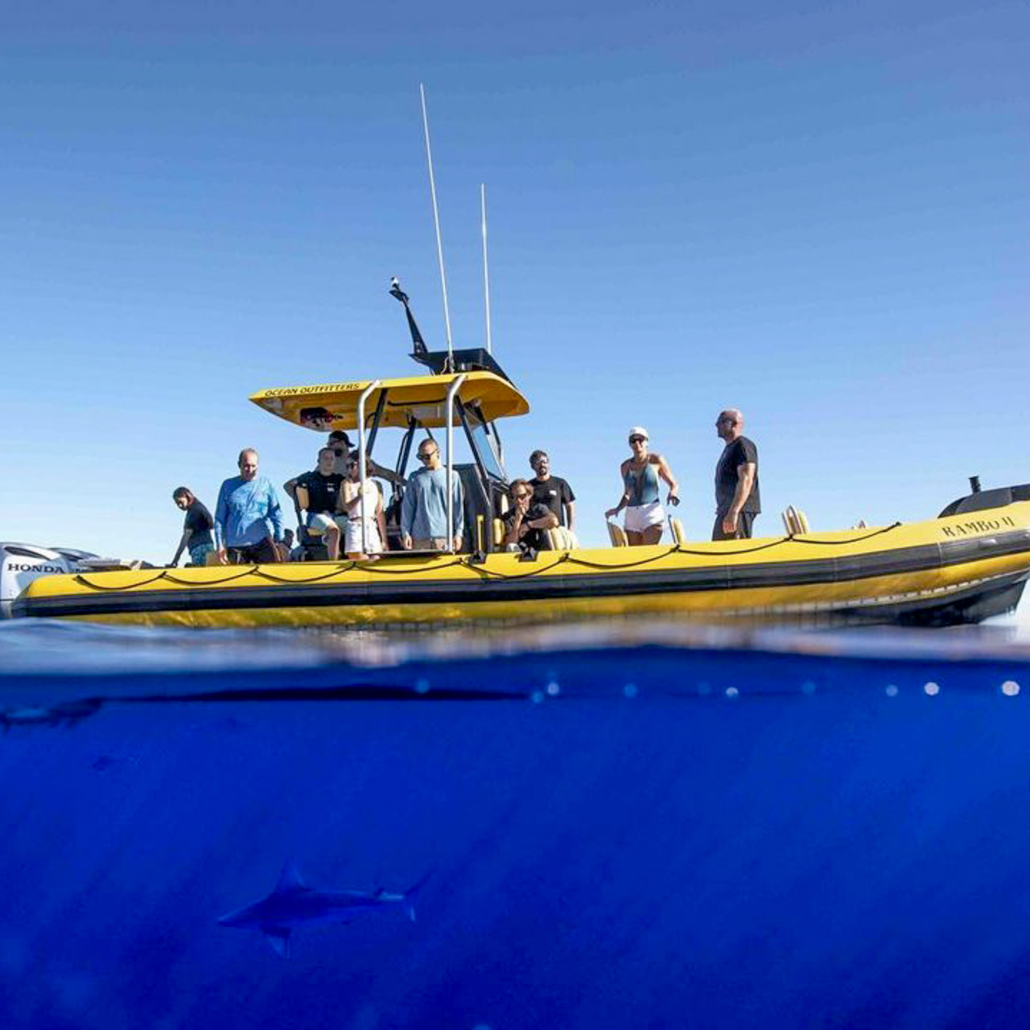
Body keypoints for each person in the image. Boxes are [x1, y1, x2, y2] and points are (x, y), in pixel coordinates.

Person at [605, 426, 680, 546]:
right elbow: (627, 493)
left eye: (641, 439)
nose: (637, 443)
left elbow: (673, 483)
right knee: (636, 556)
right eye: (633, 440)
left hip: (652, 511)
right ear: (630, 444)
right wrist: (617, 508)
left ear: (647, 442)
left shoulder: (656, 460)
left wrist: (673, 493)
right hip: (632, 514)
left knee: (648, 551)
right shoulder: (625, 466)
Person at [214, 448, 284, 564]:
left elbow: (277, 515)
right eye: (246, 466)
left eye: (253, 466)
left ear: (258, 466)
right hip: (236, 546)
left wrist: (280, 541)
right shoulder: (227, 485)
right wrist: (220, 545)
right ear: (239, 465)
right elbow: (219, 519)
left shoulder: (266, 484)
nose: (250, 470)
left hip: (262, 542)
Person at [401, 438, 464, 551]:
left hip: (444, 538)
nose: (424, 460)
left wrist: (458, 534)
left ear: (438, 452)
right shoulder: (415, 477)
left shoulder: (452, 476)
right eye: (420, 457)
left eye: (427, 456)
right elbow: (408, 507)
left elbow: (457, 507)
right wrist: (405, 533)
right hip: (419, 539)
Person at [291, 447, 347, 561]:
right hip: (315, 516)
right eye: (326, 458)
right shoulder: (310, 477)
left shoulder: (339, 479)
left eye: (332, 458)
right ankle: (333, 563)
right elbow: (288, 485)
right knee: (334, 531)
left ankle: (355, 557)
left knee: (355, 526)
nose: (329, 461)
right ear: (319, 461)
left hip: (334, 516)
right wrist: (299, 500)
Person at [713, 408, 761, 540]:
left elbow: (746, 479)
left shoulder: (743, 445)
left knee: (734, 554)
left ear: (734, 423)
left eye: (721, 421)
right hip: (725, 510)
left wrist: (734, 511)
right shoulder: (729, 448)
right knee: (718, 554)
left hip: (739, 510)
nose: (716, 425)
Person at [339, 452, 388, 559]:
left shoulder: (376, 485)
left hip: (371, 526)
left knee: (376, 561)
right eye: (347, 466)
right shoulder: (346, 484)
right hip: (355, 525)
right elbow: (346, 507)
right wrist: (359, 497)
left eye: (352, 465)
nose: (349, 470)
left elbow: (380, 513)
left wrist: (384, 539)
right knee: (361, 562)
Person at [502, 479, 558, 554]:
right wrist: (517, 522)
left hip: (542, 554)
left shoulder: (539, 509)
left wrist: (529, 525)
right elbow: (510, 543)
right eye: (514, 497)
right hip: (520, 557)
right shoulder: (508, 516)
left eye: (522, 496)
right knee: (511, 547)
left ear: (529, 495)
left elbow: (554, 521)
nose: (518, 501)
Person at [528, 450, 576, 532]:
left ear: (548, 464)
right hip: (536, 533)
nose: (542, 465)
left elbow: (570, 506)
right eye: (538, 462)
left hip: (558, 531)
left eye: (544, 462)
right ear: (533, 466)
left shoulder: (560, 483)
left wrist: (570, 529)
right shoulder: (528, 486)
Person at [170, 487, 215, 567]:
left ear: (188, 497)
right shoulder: (198, 507)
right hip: (206, 546)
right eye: (177, 504)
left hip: (200, 549)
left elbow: (186, 537)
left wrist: (175, 559)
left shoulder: (194, 512)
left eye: (181, 502)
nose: (180, 506)